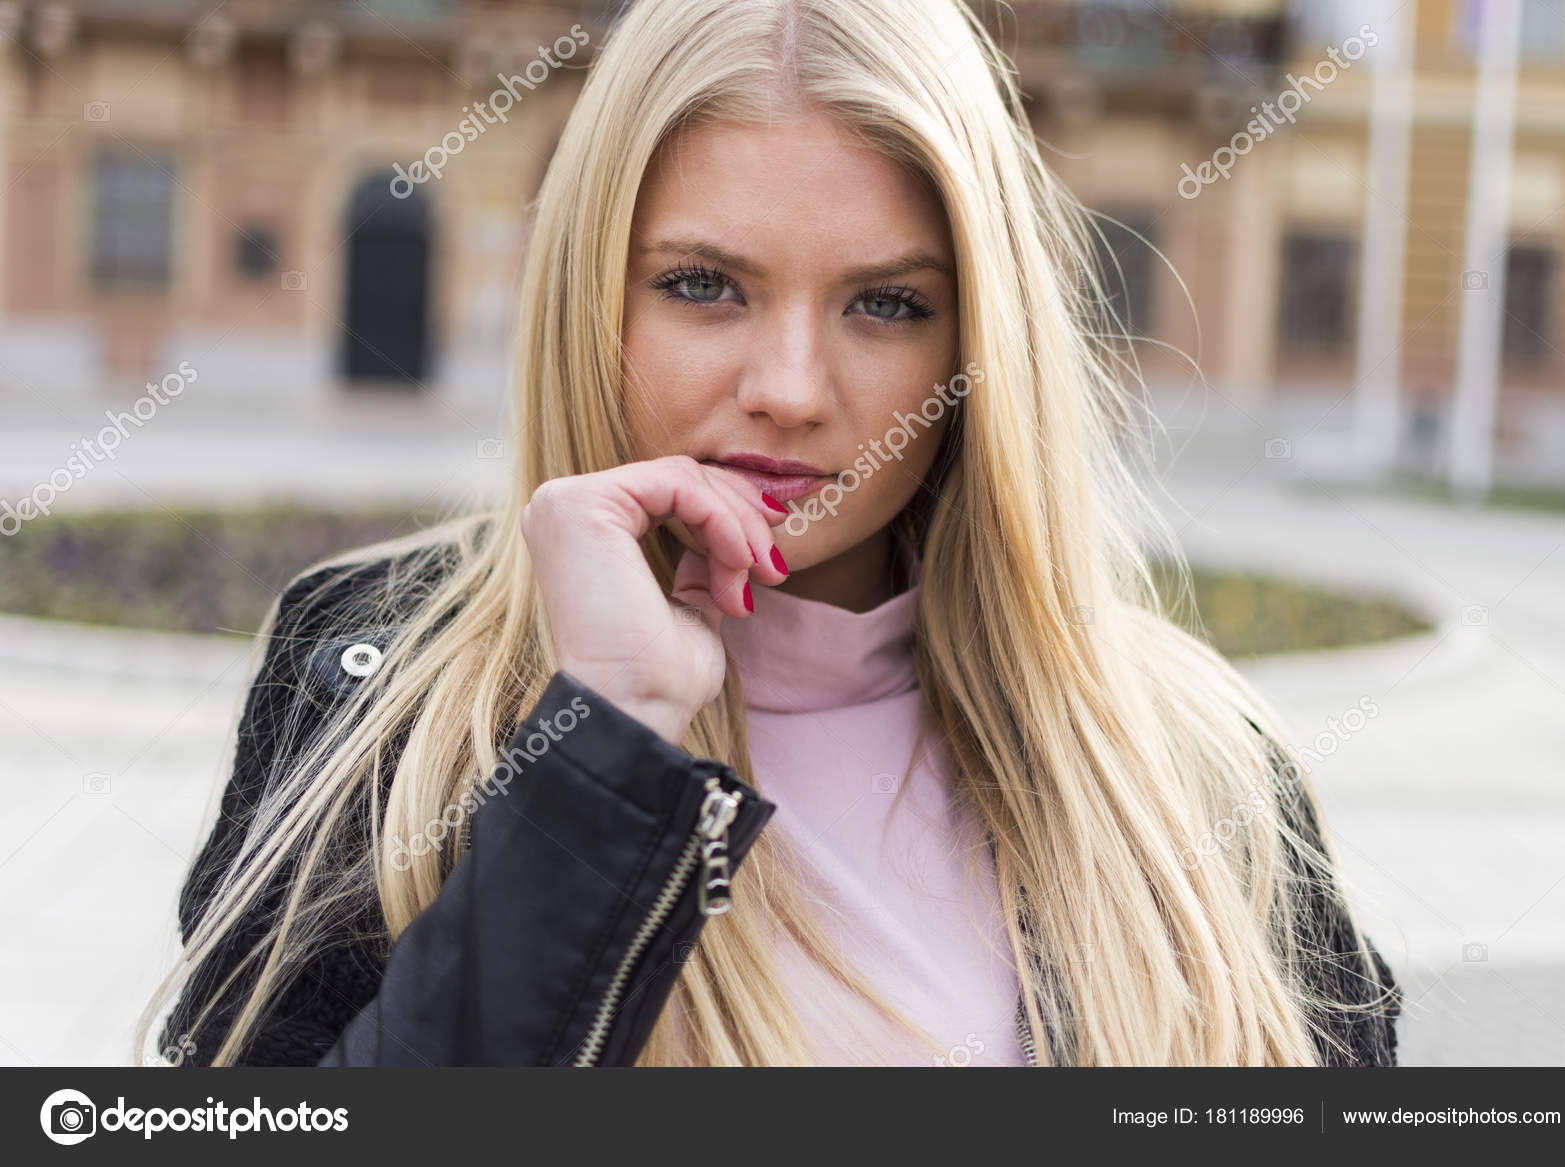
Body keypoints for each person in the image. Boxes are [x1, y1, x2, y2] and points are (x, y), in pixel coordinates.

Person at [140, 0, 1399, 1068]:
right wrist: (604, 743)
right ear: (592, 296)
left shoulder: (1190, 766)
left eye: (887, 304)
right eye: (703, 285)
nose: (790, 389)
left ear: (979, 344)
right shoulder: (376, 696)